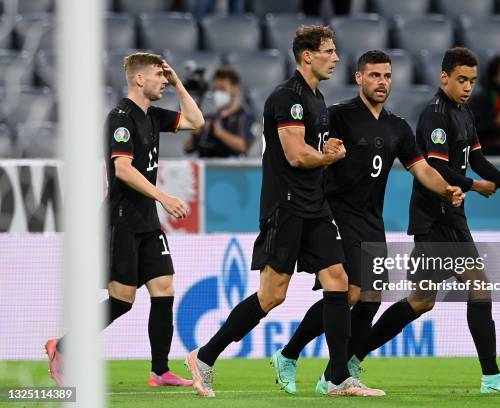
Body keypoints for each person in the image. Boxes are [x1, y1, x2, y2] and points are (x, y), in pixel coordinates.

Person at [184, 26, 383, 398]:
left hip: (315, 207)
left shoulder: (317, 99)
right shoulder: (287, 98)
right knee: (272, 296)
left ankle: (337, 377)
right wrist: (326, 155)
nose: (336, 58)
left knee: (340, 282)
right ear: (307, 55)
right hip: (287, 207)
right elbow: (295, 154)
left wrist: (327, 147)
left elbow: (311, 149)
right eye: (329, 51)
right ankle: (206, 356)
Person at [269, 50, 465, 395]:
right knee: (349, 292)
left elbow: (421, 169)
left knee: (371, 298)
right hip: (336, 213)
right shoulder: (339, 116)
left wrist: (447, 189)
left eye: (387, 76)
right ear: (359, 78)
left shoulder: (397, 126)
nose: (382, 82)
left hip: (372, 219)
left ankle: (333, 373)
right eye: (374, 75)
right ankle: (297, 357)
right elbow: (310, 148)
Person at [350, 47, 500, 394]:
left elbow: (479, 161)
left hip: (444, 216)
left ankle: (351, 356)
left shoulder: (463, 114)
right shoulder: (435, 115)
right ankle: (491, 377)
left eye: (472, 81)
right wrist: (471, 185)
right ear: (444, 77)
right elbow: (434, 167)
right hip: (438, 216)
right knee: (480, 286)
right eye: (461, 80)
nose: (467, 87)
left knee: (421, 300)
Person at [45, 52, 205, 387]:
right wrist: (164, 196)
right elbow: (122, 169)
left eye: (166, 77)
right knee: (123, 300)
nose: (164, 80)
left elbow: (196, 121)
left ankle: (159, 370)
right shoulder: (120, 117)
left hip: (147, 221)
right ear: (139, 79)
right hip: (121, 220)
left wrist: (178, 84)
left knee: (164, 288)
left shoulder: (153, 115)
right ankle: (62, 346)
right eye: (160, 76)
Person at [185, 66, 255, 157]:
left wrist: (220, 133)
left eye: (222, 89)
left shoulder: (245, 117)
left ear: (236, 88)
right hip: (206, 166)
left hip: (231, 168)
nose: (218, 93)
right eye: (215, 89)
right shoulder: (210, 117)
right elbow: (188, 149)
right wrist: (194, 134)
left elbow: (243, 146)